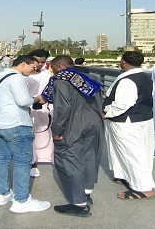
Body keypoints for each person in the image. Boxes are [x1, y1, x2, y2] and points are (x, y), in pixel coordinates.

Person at [0, 55, 51, 214]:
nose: (35, 70)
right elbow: (23, 101)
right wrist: (37, 98)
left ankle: (2, 194)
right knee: (23, 160)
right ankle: (21, 200)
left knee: (2, 157)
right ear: (23, 64)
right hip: (16, 124)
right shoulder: (16, 78)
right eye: (33, 67)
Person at [43, 55, 104, 217]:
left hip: (73, 125)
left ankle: (79, 204)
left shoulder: (61, 80)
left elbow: (63, 108)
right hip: (94, 123)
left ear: (56, 66)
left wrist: (56, 130)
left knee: (70, 161)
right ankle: (87, 193)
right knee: (89, 157)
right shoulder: (91, 78)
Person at [103, 51, 155, 200]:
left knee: (131, 152)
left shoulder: (128, 80)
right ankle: (126, 175)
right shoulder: (145, 77)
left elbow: (122, 104)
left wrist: (106, 113)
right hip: (143, 118)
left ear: (124, 62)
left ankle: (144, 188)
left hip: (127, 122)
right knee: (138, 151)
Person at [26, 49, 53, 177]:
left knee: (44, 134)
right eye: (38, 61)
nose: (40, 64)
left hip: (44, 109)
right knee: (28, 135)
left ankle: (43, 158)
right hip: (26, 108)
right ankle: (31, 162)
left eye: (43, 62)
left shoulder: (47, 74)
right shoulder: (25, 74)